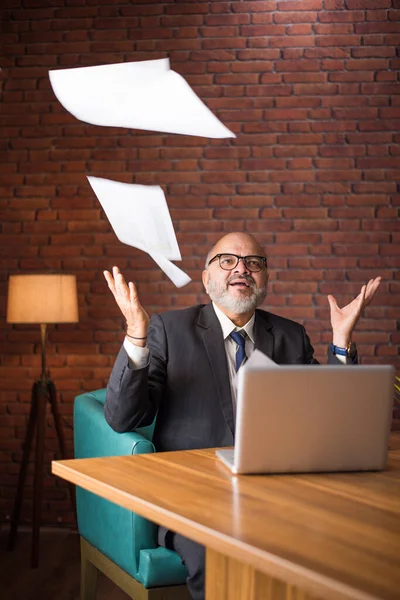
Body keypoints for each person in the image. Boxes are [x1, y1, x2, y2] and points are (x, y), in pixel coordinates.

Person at [103, 231, 381, 600]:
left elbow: (330, 418)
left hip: (277, 495)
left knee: (345, 546)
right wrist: (136, 337)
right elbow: (123, 418)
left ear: (265, 278)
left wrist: (341, 342)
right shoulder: (169, 330)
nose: (242, 269)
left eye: (254, 262)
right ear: (206, 278)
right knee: (220, 559)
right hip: (193, 500)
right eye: (227, 260)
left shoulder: (289, 336)